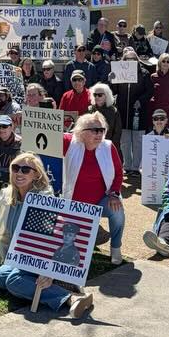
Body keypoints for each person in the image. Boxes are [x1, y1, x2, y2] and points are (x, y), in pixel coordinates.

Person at [0, 153, 95, 317]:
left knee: (14, 282)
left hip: (40, 256)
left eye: (25, 169)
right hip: (20, 256)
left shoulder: (44, 199)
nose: (19, 173)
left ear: (36, 174)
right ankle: (60, 291)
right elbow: (3, 234)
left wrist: (49, 271)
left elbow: (53, 240)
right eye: (15, 168)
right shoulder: (7, 195)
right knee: (0, 276)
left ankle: (71, 298)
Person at [62, 113, 126, 264]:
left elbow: (118, 173)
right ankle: (95, 232)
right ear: (81, 132)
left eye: (102, 130)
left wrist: (114, 194)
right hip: (73, 204)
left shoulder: (108, 147)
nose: (99, 134)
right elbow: (46, 137)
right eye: (94, 130)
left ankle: (116, 247)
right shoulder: (69, 142)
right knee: (75, 246)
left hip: (100, 200)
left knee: (117, 212)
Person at [86, 83, 122, 149]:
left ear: (106, 96)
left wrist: (111, 147)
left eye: (100, 95)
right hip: (92, 146)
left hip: (108, 146)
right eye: (95, 95)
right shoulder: (89, 110)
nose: (97, 97)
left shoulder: (114, 111)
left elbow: (117, 133)